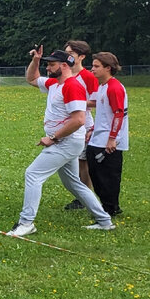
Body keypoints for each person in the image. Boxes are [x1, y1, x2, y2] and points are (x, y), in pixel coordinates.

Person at [6, 46, 114, 237]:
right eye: (47, 64)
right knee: (74, 183)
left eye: (51, 64)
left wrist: (53, 137)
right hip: (66, 142)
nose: (48, 68)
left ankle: (26, 222)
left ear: (64, 66)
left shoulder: (72, 86)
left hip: (66, 142)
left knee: (32, 174)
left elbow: (79, 119)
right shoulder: (54, 85)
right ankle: (104, 221)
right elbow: (31, 79)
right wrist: (36, 60)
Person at [86, 51, 128, 218]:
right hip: (98, 137)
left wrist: (112, 139)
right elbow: (104, 113)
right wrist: (93, 128)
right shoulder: (102, 87)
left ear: (108, 68)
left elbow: (118, 114)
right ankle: (105, 204)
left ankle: (111, 207)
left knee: (108, 175)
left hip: (109, 141)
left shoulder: (114, 87)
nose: (92, 69)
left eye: (96, 66)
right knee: (94, 171)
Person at [62, 39, 98, 211]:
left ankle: (84, 199)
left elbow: (98, 101)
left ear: (81, 57)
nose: (68, 57)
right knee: (73, 161)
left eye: (71, 54)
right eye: (66, 53)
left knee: (83, 162)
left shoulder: (88, 77)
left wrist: (78, 103)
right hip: (68, 123)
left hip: (84, 124)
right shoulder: (66, 75)